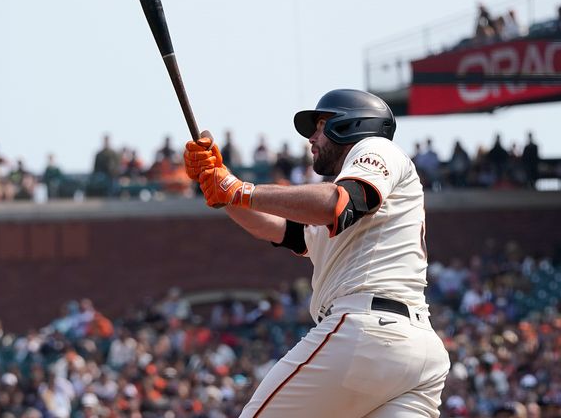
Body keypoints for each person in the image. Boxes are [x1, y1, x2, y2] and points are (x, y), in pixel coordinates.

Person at [183, 89, 450, 417]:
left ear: (352, 124)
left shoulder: (376, 148)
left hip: (368, 333)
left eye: (321, 125)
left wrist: (240, 190)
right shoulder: (356, 202)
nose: (312, 137)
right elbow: (277, 228)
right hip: (415, 351)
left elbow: (333, 204)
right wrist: (219, 186)